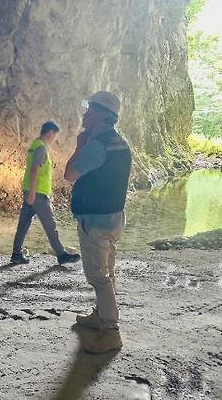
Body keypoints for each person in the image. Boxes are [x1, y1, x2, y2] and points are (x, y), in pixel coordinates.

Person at [64, 91, 132, 354]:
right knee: (108, 271)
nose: (85, 113)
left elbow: (70, 174)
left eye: (90, 109)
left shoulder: (96, 145)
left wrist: (81, 144)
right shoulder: (121, 142)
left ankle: (111, 331)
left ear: (103, 115)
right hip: (115, 218)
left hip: (95, 221)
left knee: (98, 276)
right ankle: (101, 316)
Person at [11, 121, 82, 266]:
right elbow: (34, 170)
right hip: (38, 193)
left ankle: (16, 254)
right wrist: (32, 192)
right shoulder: (41, 148)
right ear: (50, 133)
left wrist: (29, 192)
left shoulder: (34, 145)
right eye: (54, 135)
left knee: (24, 224)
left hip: (31, 191)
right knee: (51, 225)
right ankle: (61, 255)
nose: (54, 138)